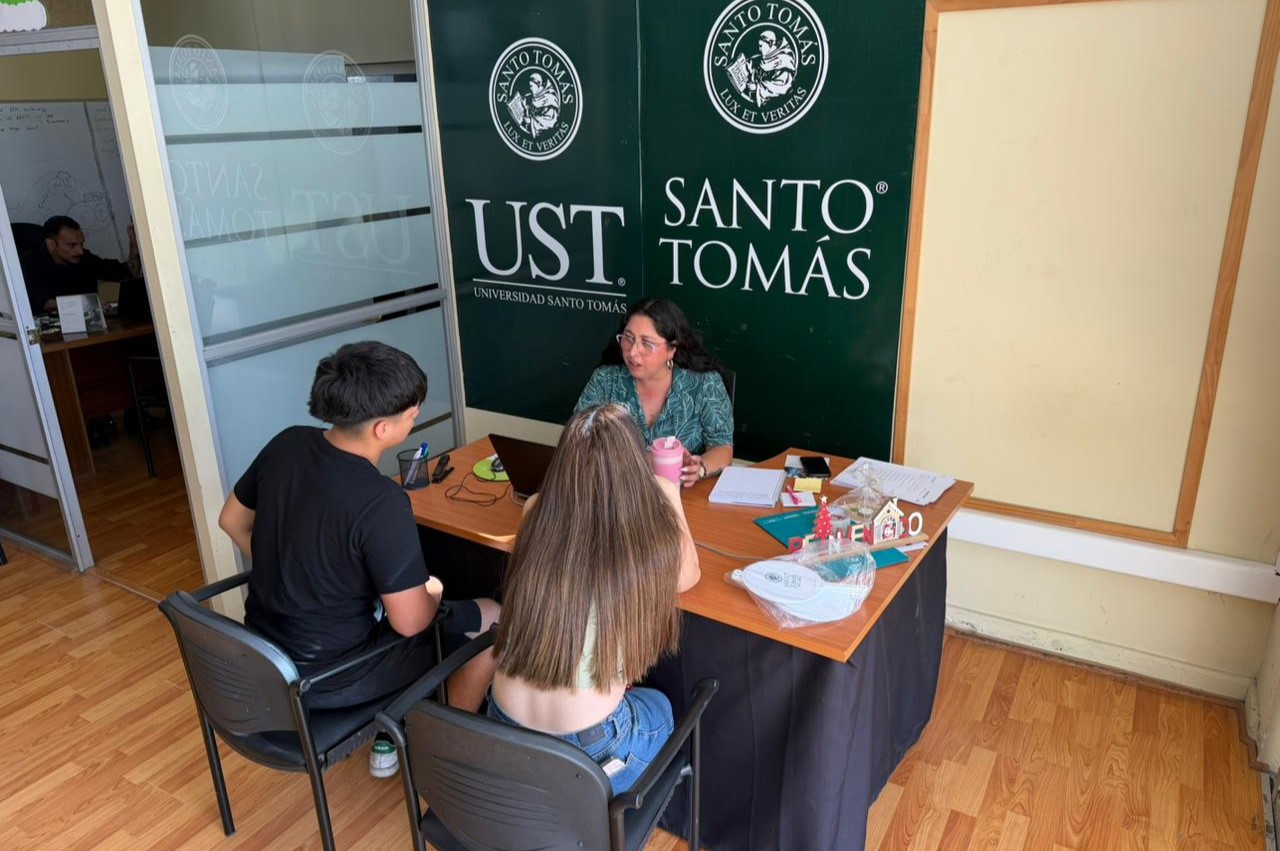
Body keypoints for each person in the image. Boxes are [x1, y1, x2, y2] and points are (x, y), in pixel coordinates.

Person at [217, 341, 499, 775]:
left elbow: (231, 520)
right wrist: (433, 592)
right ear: (382, 429)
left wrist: (288, 566)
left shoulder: (286, 443)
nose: (416, 418)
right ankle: (441, 761)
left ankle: (395, 727)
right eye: (412, 414)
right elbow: (411, 624)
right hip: (330, 678)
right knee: (492, 623)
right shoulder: (380, 500)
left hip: (265, 658)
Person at [487, 403, 701, 793]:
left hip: (503, 725)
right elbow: (689, 577)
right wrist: (669, 491)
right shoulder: (645, 536)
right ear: (635, 465)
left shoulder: (535, 510)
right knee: (660, 708)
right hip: (590, 748)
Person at [574, 297, 733, 487]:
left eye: (647, 343)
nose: (633, 352)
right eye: (628, 338)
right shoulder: (605, 380)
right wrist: (642, 461)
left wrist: (698, 469)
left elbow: (722, 446)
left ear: (671, 349)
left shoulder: (704, 384)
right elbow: (576, 441)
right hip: (615, 492)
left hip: (678, 495)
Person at [18, 215, 141, 313]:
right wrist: (88, 305)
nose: (80, 251)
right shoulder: (30, 263)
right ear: (51, 244)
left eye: (81, 244)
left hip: (92, 324)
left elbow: (126, 273)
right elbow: (46, 304)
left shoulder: (83, 257)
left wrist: (134, 250)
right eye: (72, 245)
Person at [746, 29, 796, 106]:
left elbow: (781, 87)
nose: (759, 49)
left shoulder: (783, 61)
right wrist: (750, 71)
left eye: (761, 46)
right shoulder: (761, 60)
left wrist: (757, 87)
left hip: (777, 104)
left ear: (770, 43)